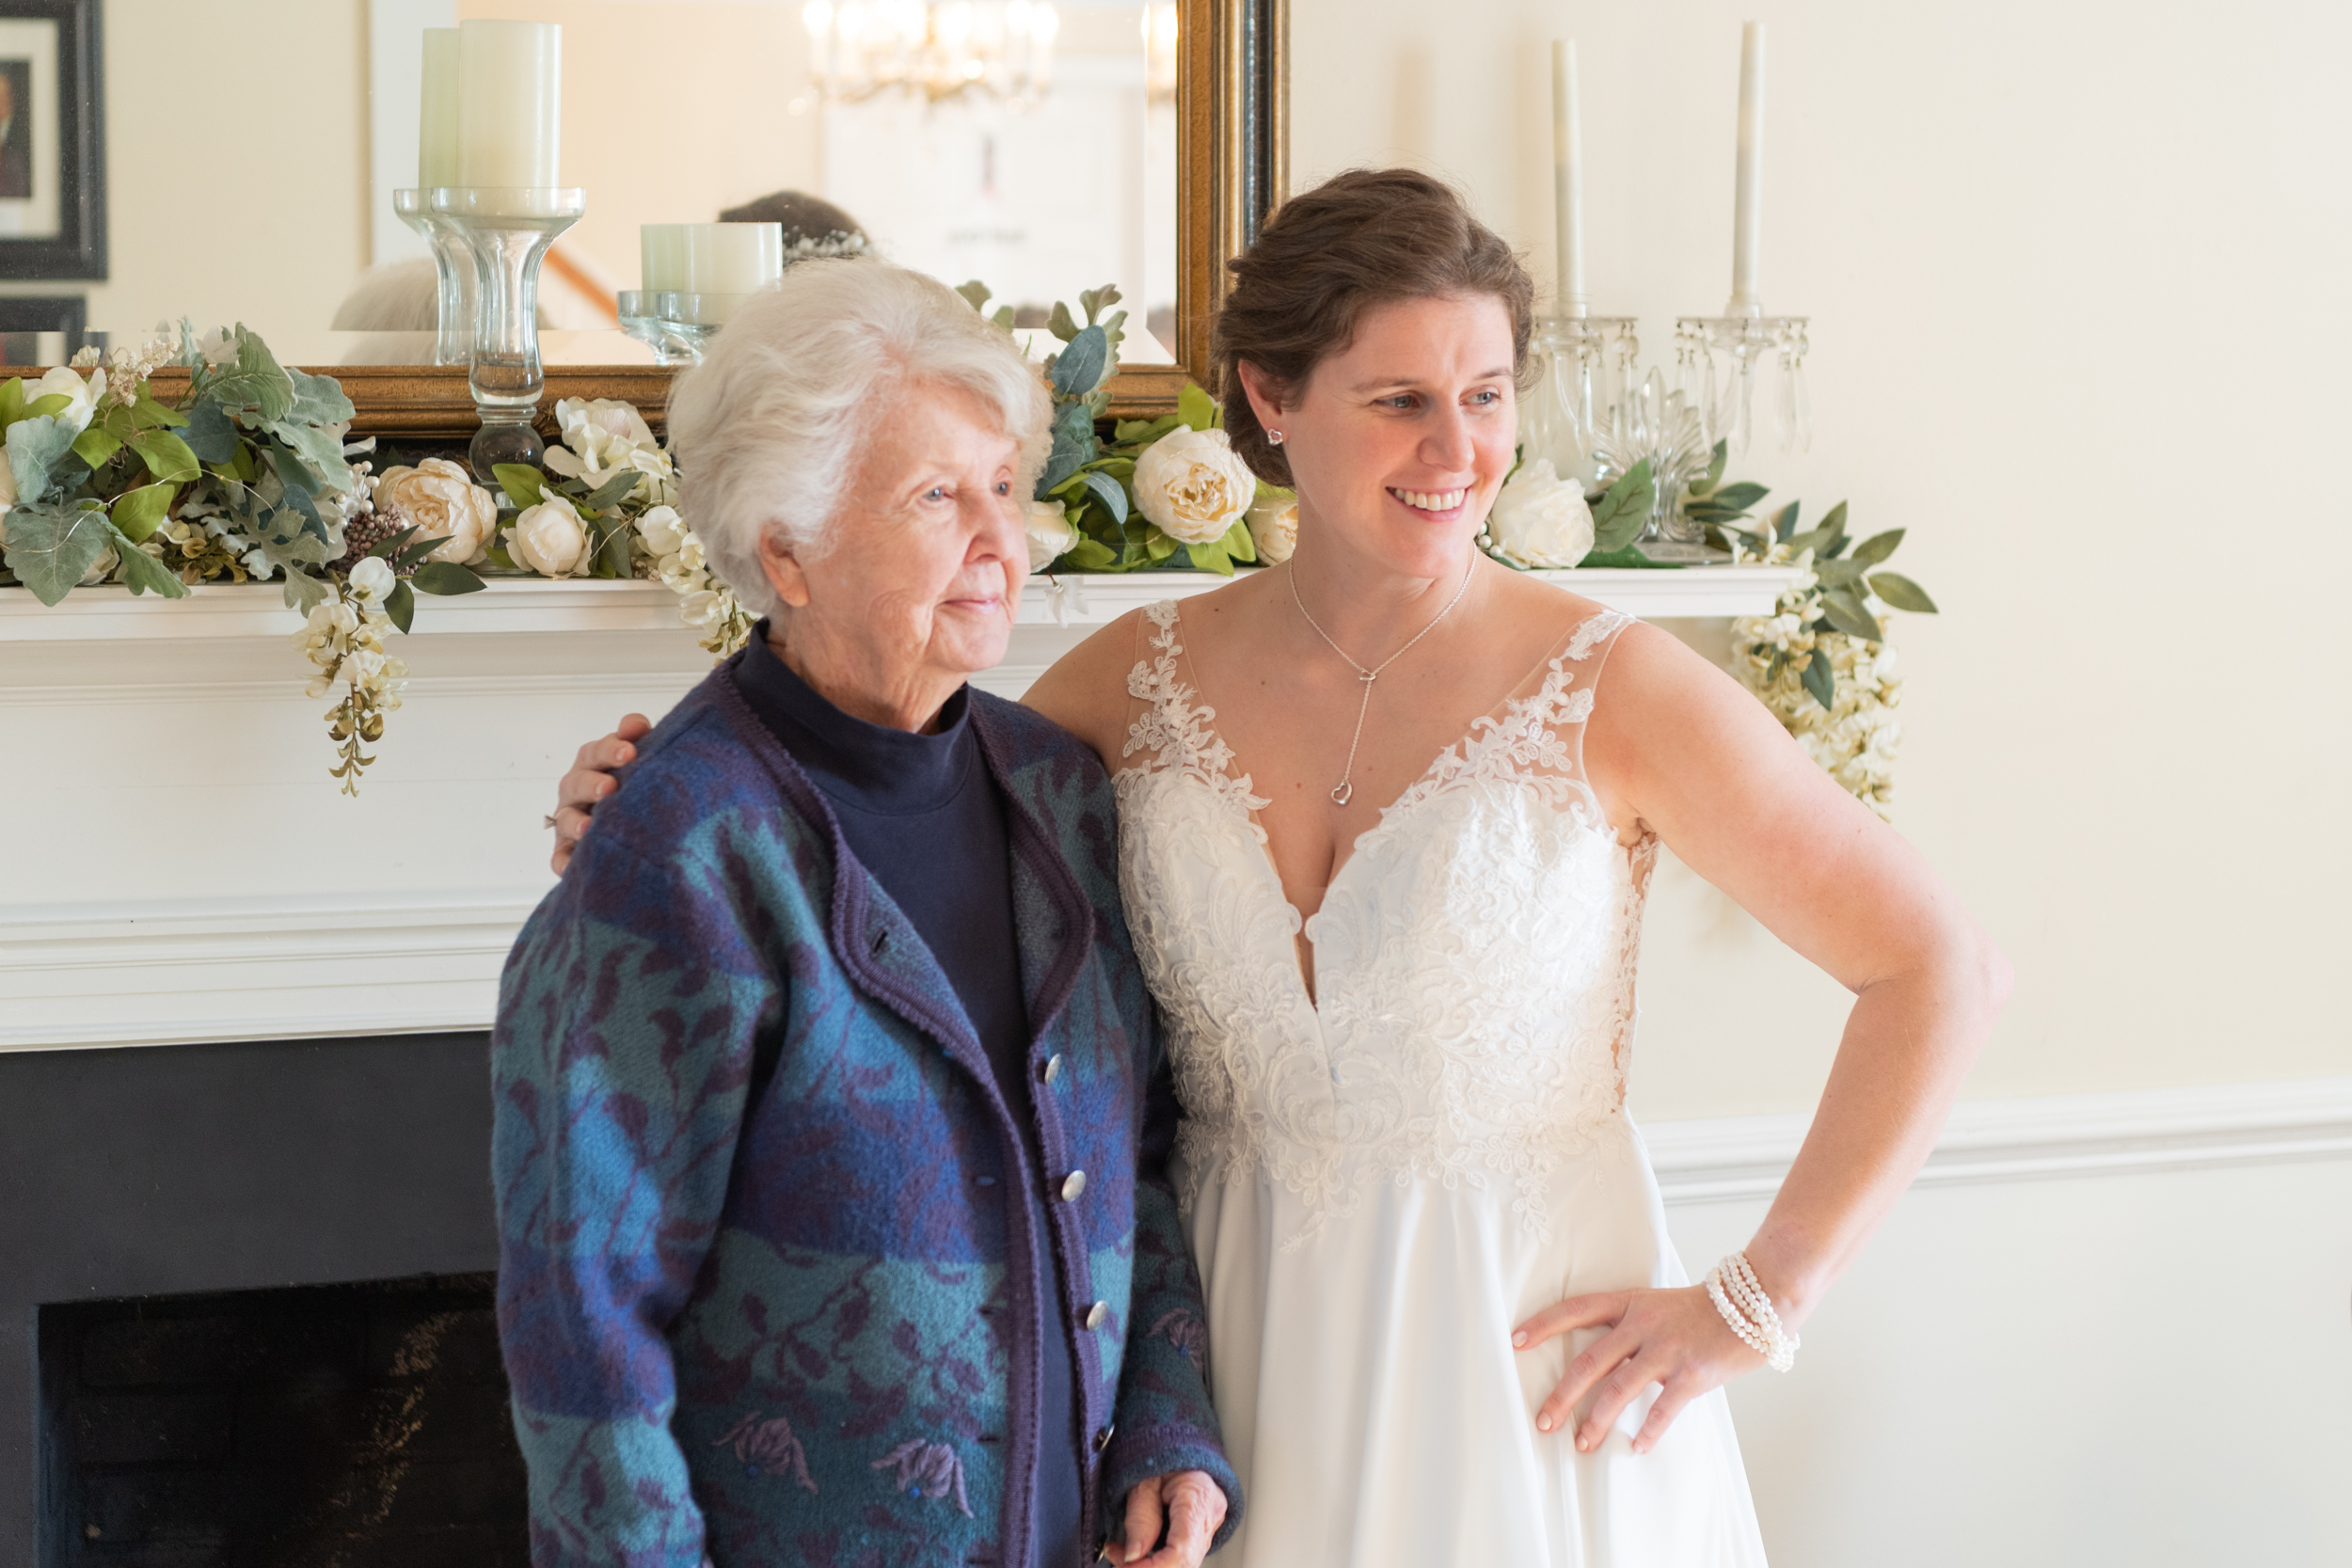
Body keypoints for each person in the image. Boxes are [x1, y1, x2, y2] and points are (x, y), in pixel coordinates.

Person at [551, 168, 2010, 1565]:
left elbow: (1937, 967)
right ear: (1271, 398)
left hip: (1527, 1383)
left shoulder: (1614, 685)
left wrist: (1756, 1302)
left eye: (1487, 396)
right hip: (1222, 1379)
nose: (1459, 453)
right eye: (1401, 401)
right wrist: (644, 810)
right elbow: (869, 841)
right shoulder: (1132, 684)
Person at [494, 259, 1238, 1568]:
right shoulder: (679, 849)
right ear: (788, 550)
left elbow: (1141, 1153)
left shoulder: (1059, 793)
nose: (1002, 542)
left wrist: (1167, 1420)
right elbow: (585, 1324)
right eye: (936, 497)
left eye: (1002, 485)